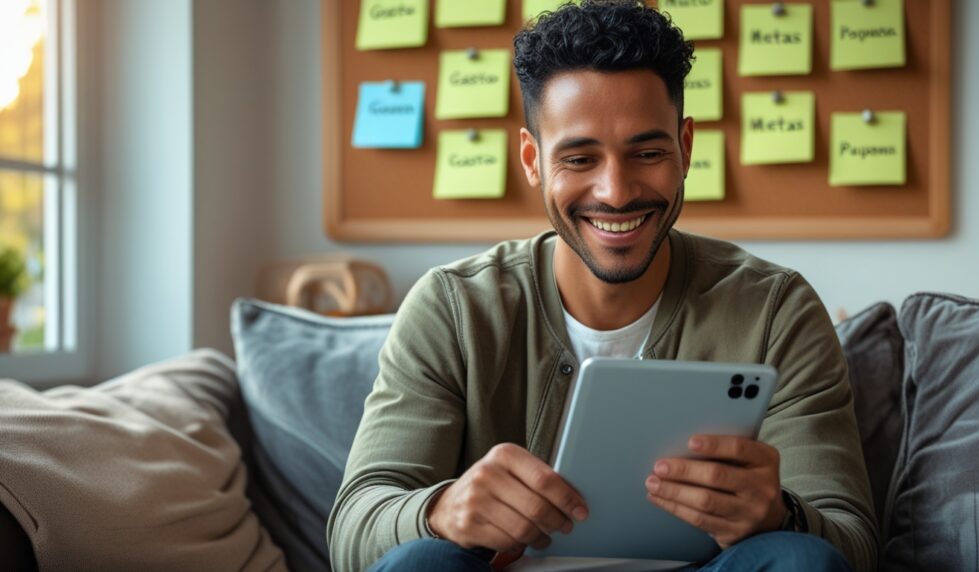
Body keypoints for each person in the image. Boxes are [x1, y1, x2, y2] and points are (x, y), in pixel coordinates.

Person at [328, 1, 878, 571]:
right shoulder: (453, 307)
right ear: (532, 159)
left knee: (797, 558)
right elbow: (353, 530)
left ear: (686, 148)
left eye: (648, 153)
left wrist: (781, 514)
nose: (616, 192)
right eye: (579, 158)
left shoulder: (775, 309)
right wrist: (440, 511)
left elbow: (853, 544)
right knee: (417, 562)